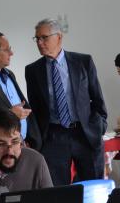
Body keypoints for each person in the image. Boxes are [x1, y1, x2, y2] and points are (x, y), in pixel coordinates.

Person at [25, 18, 108, 185]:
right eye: (37, 38)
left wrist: (99, 125)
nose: (40, 43)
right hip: (53, 137)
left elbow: (97, 98)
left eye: (44, 37)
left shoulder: (83, 62)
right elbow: (35, 108)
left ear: (59, 37)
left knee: (93, 187)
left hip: (85, 133)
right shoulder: (33, 70)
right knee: (57, 190)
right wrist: (37, 139)